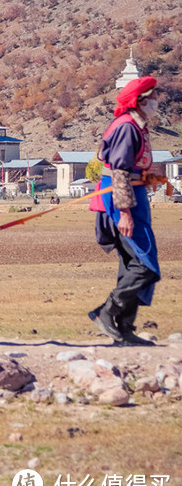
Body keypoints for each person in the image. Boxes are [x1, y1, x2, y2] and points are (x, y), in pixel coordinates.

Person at [88, 75, 163, 346]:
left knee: (133, 264)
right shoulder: (127, 127)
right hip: (121, 201)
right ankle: (106, 312)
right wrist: (125, 214)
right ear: (141, 100)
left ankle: (125, 330)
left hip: (134, 196)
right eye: (154, 96)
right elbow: (119, 172)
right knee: (144, 266)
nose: (158, 100)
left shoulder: (138, 126)